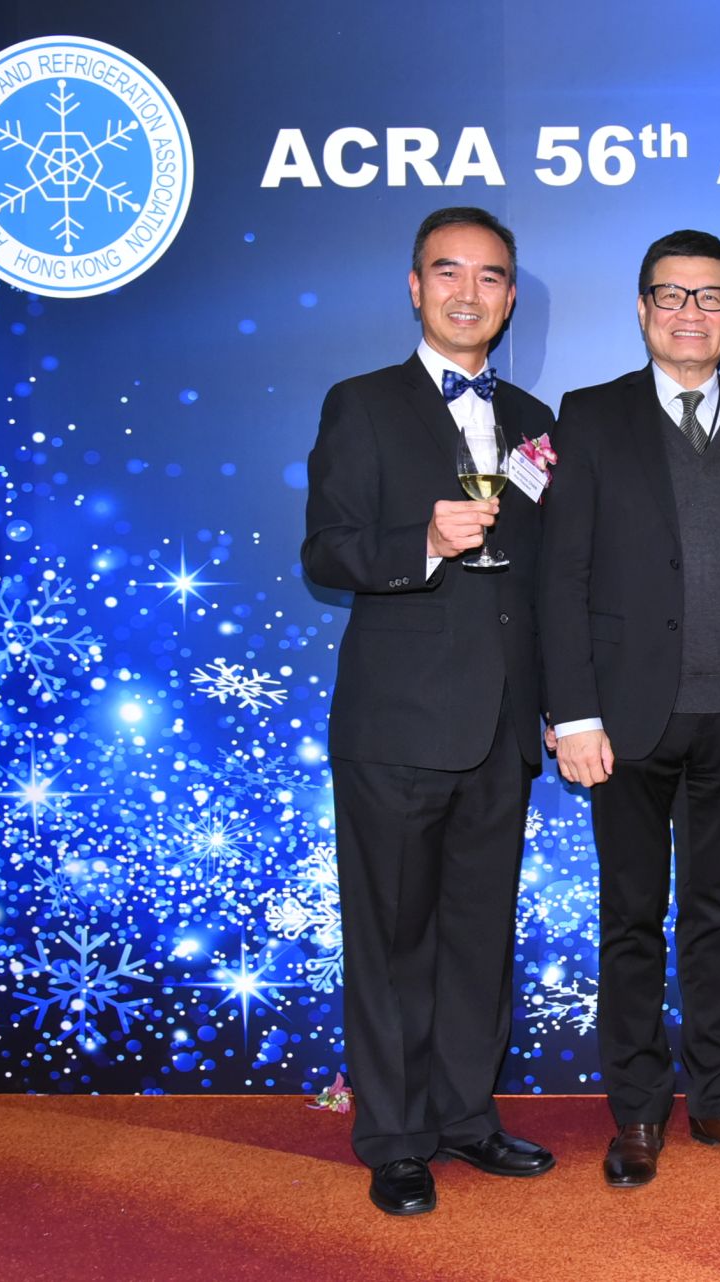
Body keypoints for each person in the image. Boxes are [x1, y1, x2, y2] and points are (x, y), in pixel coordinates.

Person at [537, 229, 720, 1189]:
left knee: (718, 919)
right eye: (672, 295)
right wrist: (572, 712)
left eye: (710, 297)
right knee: (630, 919)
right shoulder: (588, 418)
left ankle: (718, 1098)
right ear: (642, 309)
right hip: (622, 727)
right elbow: (561, 577)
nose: (690, 313)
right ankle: (636, 1111)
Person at [301, 206, 556, 1216]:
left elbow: (545, 576)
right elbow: (327, 549)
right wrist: (425, 541)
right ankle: (397, 1135)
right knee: (393, 938)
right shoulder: (361, 403)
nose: (468, 292)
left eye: (490, 277)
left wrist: (558, 705)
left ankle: (465, 1115)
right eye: (448, 272)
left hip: (503, 727)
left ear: (510, 297)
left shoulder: (535, 419)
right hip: (398, 723)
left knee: (478, 936)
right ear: (415, 287)